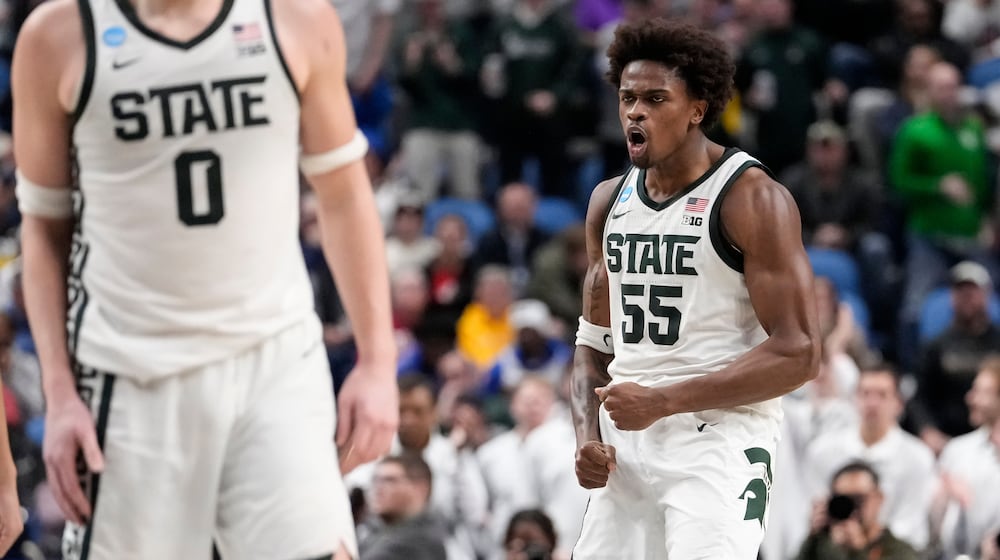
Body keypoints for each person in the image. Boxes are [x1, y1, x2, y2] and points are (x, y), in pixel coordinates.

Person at [12, 0, 399, 558]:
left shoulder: (296, 18)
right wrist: (59, 392)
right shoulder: (59, 34)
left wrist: (377, 362)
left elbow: (343, 194)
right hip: (129, 374)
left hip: (275, 361)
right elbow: (45, 228)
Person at [570, 19, 820, 559]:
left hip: (719, 438)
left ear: (697, 109)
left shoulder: (752, 198)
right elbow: (593, 342)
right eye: (628, 98)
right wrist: (586, 435)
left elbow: (800, 353)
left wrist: (664, 399)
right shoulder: (608, 202)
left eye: (656, 98)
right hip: (627, 442)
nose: (635, 111)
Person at [803, 366, 937, 551]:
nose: (872, 403)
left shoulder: (918, 458)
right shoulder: (822, 451)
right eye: (865, 394)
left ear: (899, 403)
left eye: (882, 395)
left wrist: (867, 543)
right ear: (854, 399)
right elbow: (813, 507)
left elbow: (910, 524)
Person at [796, 461, 919, 560]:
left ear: (879, 498)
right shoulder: (823, 545)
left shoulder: (899, 552)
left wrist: (858, 551)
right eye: (843, 500)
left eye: (859, 499)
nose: (851, 508)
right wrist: (813, 538)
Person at [356, 454, 449, 560]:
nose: (378, 489)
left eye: (389, 480)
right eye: (375, 480)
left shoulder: (421, 542)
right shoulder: (375, 530)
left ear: (420, 488)